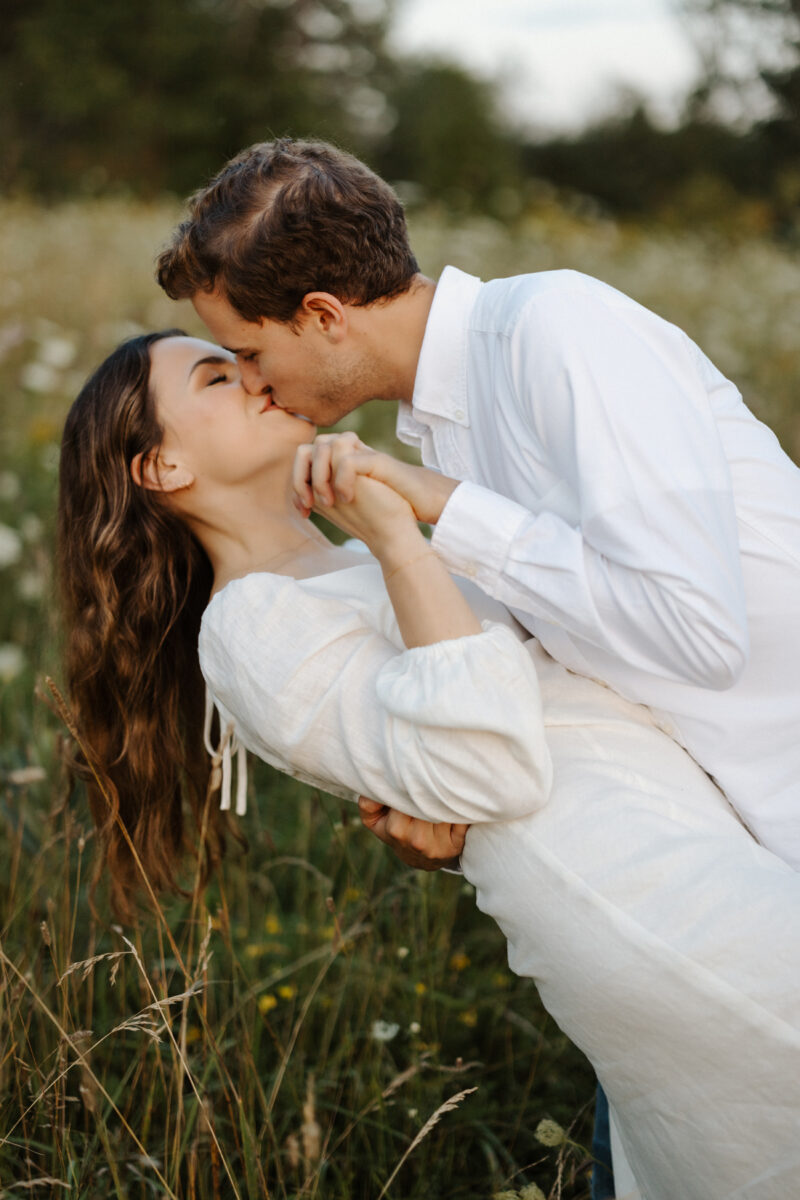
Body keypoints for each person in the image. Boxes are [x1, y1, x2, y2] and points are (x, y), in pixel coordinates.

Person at [58, 331, 800, 1200]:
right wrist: (402, 543)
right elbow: (489, 772)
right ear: (160, 469)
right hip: (642, 901)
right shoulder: (249, 631)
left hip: (696, 849)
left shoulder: (344, 561)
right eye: (217, 377)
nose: (254, 379)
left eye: (245, 359)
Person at [155, 137, 800, 881]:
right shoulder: (445, 427)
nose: (253, 386)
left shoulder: (556, 329)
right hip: (753, 833)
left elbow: (702, 636)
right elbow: (582, 655)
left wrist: (450, 509)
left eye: (251, 353)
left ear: (324, 315)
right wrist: (451, 812)